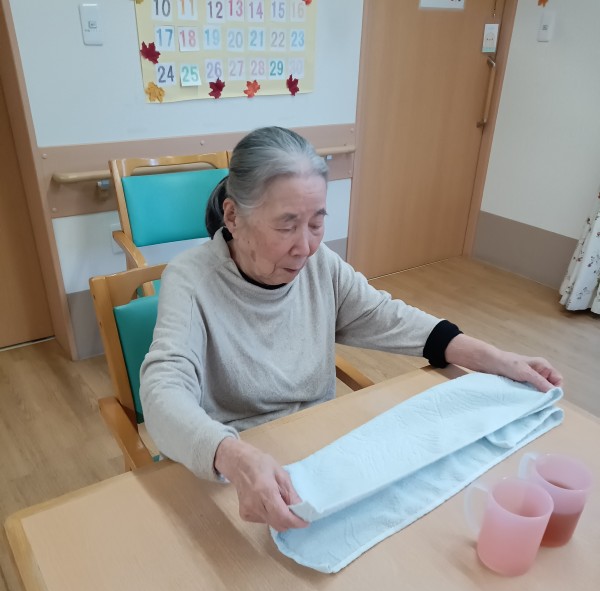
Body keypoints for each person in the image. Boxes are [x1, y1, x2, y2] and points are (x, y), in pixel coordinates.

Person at [140, 126, 563, 533]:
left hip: (320, 452)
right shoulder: (191, 280)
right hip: (239, 469)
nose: (305, 247)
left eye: (316, 223)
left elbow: (385, 316)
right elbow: (162, 392)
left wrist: (495, 358)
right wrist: (232, 455)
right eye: (286, 225)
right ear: (233, 216)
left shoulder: (320, 264)